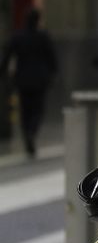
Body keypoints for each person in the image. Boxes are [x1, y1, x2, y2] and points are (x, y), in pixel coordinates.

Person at [1, 9, 57, 158]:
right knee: (37, 110)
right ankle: (32, 132)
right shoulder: (43, 37)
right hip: (40, 79)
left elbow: (7, 55)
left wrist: (4, 72)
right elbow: (51, 57)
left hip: (22, 79)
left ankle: (27, 134)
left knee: (25, 110)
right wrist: (52, 73)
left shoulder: (18, 37)